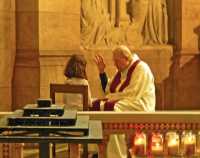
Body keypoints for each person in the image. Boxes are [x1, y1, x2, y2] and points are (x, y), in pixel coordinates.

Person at [92, 45, 155, 158]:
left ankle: (116, 154)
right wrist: (102, 72)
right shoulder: (121, 71)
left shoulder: (141, 68)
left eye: (117, 61)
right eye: (114, 61)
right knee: (97, 105)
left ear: (126, 58)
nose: (115, 64)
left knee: (114, 109)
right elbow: (108, 89)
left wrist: (110, 98)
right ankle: (102, 151)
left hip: (141, 103)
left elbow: (133, 93)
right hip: (128, 101)